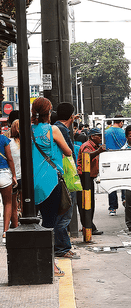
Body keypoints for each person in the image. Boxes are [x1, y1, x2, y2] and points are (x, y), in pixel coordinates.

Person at [31, 97, 75, 276]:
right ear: (49, 113)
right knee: (49, 223)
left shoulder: (29, 130)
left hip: (31, 182)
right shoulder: (53, 129)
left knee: (35, 222)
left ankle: (37, 260)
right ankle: (50, 264)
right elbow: (68, 151)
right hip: (51, 181)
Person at [53, 102, 81, 256]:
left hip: (58, 176)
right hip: (66, 177)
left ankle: (63, 245)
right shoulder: (61, 130)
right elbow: (68, 153)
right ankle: (62, 247)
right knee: (65, 214)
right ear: (71, 116)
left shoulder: (56, 127)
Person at [76, 128, 105, 235]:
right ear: (92, 136)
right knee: (86, 203)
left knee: (89, 203)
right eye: (99, 136)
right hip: (84, 178)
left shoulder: (94, 146)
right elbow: (86, 157)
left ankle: (88, 225)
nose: (101, 138)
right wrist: (98, 151)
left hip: (89, 177)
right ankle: (88, 226)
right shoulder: (87, 146)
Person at [104, 116, 126, 215]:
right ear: (121, 122)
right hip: (122, 159)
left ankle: (112, 208)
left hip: (110, 160)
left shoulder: (106, 132)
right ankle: (126, 200)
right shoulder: (123, 132)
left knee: (112, 185)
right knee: (124, 182)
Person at [0, 121, 17, 242]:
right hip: (4, 173)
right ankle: (5, 232)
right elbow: (10, 158)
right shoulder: (4, 139)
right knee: (8, 203)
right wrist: (14, 175)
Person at [9, 120, 21, 229]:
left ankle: (16, 226)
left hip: (12, 177)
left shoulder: (8, 143)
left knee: (13, 205)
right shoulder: (29, 142)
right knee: (26, 205)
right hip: (25, 178)